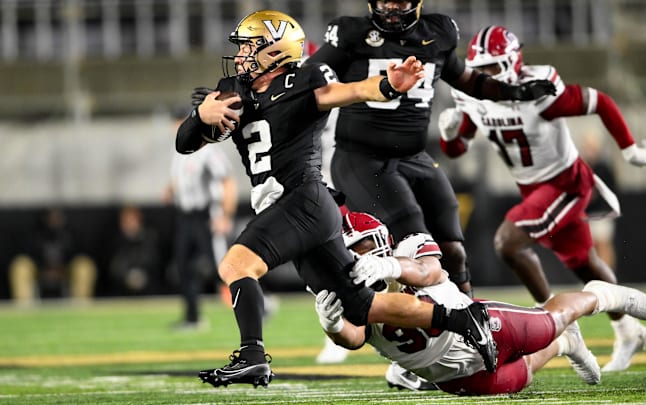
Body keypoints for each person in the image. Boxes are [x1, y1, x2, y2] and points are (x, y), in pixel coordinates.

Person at [176, 9, 506, 389]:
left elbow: (345, 91)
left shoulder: (303, 79)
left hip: (303, 200)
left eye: (250, 46)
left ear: (275, 51)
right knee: (363, 305)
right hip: (291, 207)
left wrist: (387, 86)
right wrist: (199, 117)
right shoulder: (234, 89)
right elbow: (186, 144)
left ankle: (252, 356)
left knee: (236, 265)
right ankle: (464, 318)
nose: (241, 54)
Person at [436, 25, 646, 372]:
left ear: (512, 62)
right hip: (531, 186)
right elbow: (457, 147)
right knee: (585, 263)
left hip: (565, 182)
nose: (483, 76)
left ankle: (559, 326)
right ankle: (629, 330)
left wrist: (628, 148)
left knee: (507, 242)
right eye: (479, 70)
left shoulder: (537, 90)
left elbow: (599, 101)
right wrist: (449, 134)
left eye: (492, 68)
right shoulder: (474, 94)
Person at [306, 0, 557, 297]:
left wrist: (515, 91)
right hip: (362, 160)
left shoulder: (437, 32)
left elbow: (469, 81)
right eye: (385, 0)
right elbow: (310, 76)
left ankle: (470, 321)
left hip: (414, 158)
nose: (391, 7)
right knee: (417, 246)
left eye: (398, 0)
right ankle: (412, 326)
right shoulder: (351, 33)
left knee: (453, 251)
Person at [313, 210, 646, 396]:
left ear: (378, 241)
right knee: (519, 379)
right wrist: (334, 327)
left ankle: (602, 295)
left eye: (357, 247)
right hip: (445, 375)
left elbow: (428, 272)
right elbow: (356, 338)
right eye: (347, 252)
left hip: (480, 327)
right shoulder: (345, 291)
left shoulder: (407, 249)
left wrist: (388, 265)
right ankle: (566, 343)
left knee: (548, 322)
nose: (353, 258)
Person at [165, 106, 239, 330]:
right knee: (184, 265)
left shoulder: (207, 149)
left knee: (222, 267)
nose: (175, 127)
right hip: (186, 216)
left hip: (206, 214)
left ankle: (260, 304)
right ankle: (193, 317)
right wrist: (170, 190)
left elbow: (227, 181)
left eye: (179, 121)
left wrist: (225, 215)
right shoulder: (180, 150)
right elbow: (182, 179)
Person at [8, 207, 97, 305]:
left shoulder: (70, 234)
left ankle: (81, 306)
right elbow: (27, 254)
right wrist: (44, 269)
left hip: (65, 271)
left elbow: (78, 254)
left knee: (84, 265)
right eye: (51, 216)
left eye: (57, 216)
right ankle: (23, 307)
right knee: (20, 265)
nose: (54, 219)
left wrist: (60, 270)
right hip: (39, 271)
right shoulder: (34, 234)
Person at [580, 130, 618, 269]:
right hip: (587, 214)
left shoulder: (603, 168)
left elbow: (608, 190)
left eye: (591, 147)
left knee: (603, 244)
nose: (589, 150)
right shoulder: (582, 167)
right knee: (590, 248)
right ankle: (594, 277)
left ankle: (608, 277)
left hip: (602, 213)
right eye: (587, 147)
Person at [108, 205, 161, 295]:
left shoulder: (150, 237)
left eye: (131, 220)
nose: (128, 224)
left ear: (139, 220)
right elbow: (114, 265)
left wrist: (141, 275)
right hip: (121, 286)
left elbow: (154, 260)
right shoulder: (115, 240)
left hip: (148, 284)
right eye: (125, 221)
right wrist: (127, 276)